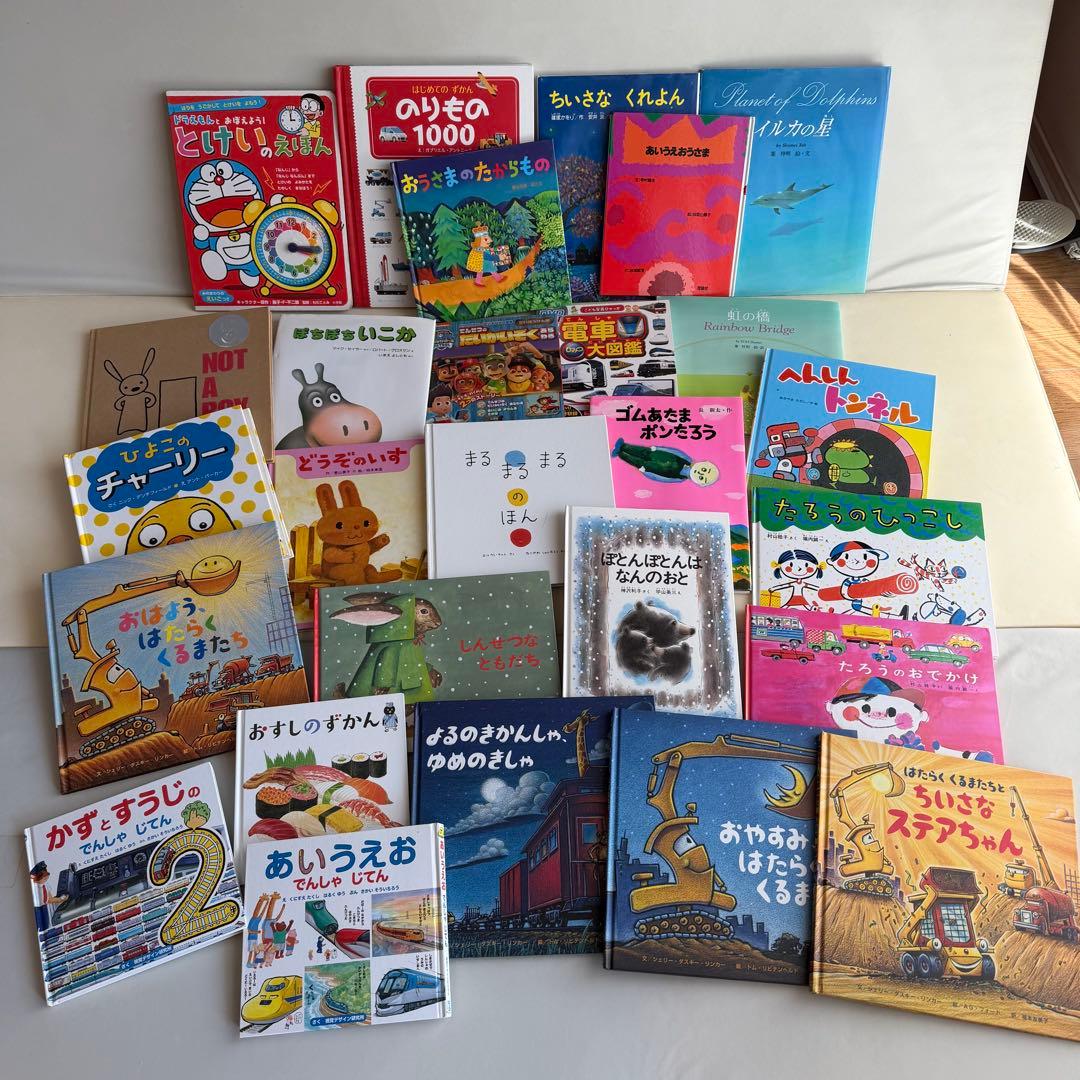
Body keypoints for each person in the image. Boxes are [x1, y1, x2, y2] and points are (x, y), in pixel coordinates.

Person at [29, 862, 68, 933]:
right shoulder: (34, 888)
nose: (46, 878)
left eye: (46, 875)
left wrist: (60, 899)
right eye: (44, 877)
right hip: (37, 909)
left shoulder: (45, 884)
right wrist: (61, 899)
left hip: (44, 907)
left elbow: (49, 897)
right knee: (41, 928)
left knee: (46, 925)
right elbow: (49, 900)